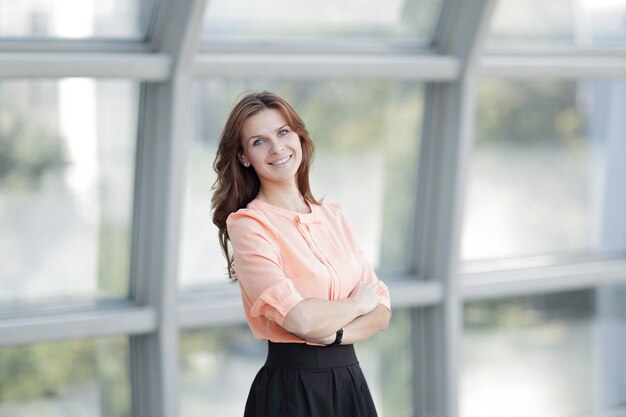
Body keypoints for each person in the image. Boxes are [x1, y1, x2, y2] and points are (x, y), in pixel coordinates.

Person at [211, 91, 391, 417]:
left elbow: (381, 313)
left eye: (283, 132)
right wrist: (355, 305)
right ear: (243, 157)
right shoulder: (249, 225)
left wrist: (331, 334)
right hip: (292, 391)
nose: (277, 147)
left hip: (350, 383)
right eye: (259, 141)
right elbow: (299, 318)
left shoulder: (334, 216)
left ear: (298, 136)